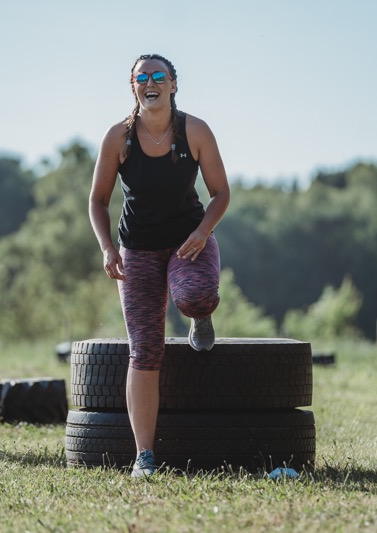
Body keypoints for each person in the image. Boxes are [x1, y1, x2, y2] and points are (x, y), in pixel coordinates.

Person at [89, 54, 230, 477]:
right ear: (133, 86)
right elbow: (97, 200)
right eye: (142, 77)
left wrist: (203, 232)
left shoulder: (195, 130)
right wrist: (107, 248)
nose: (150, 83)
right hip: (138, 251)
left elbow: (221, 193)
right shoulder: (119, 137)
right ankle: (144, 457)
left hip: (189, 241)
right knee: (145, 351)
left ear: (172, 85)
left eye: (158, 76)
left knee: (195, 295)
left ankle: (200, 318)